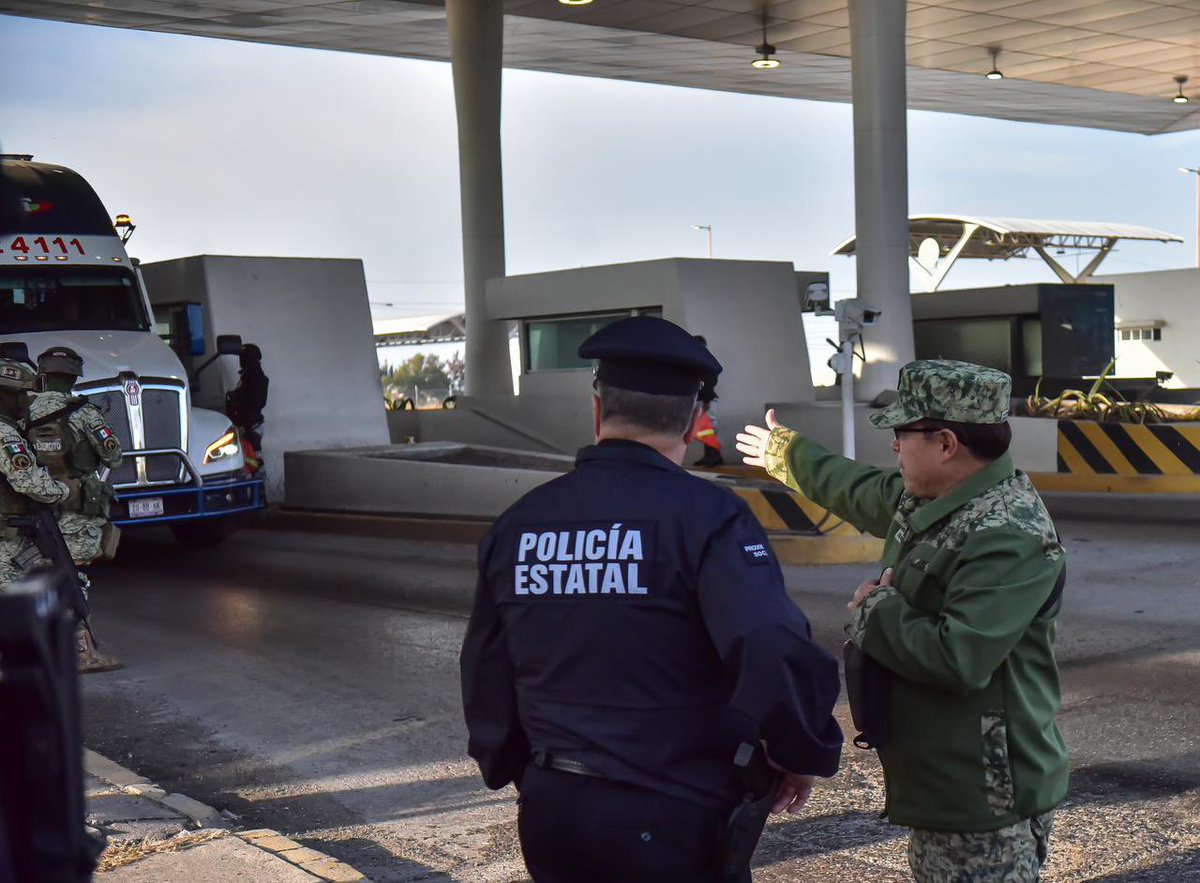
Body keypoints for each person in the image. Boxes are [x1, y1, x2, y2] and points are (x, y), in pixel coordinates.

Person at [461, 315, 843, 883]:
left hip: (551, 813)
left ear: (598, 410)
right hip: (671, 815)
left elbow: (485, 666)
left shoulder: (520, 523)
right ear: (695, 420)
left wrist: (523, 771)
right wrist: (799, 749)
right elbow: (767, 641)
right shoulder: (710, 518)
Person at [736, 359, 1068, 883]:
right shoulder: (936, 498)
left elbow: (958, 658)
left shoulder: (1008, 534)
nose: (894, 445)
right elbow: (854, 486)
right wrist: (785, 453)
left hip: (983, 797)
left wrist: (876, 610)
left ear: (945, 443)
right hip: (945, 778)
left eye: (901, 432)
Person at [0, 358, 75, 589]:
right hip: (7, 543)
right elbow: (29, 483)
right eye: (19, 395)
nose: (26, 401)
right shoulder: (5, 435)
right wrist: (65, 491)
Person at [225, 343, 269, 458]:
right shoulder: (249, 376)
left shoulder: (253, 377)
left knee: (253, 455)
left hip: (250, 424)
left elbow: (253, 401)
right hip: (247, 423)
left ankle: (258, 475)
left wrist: (235, 399)